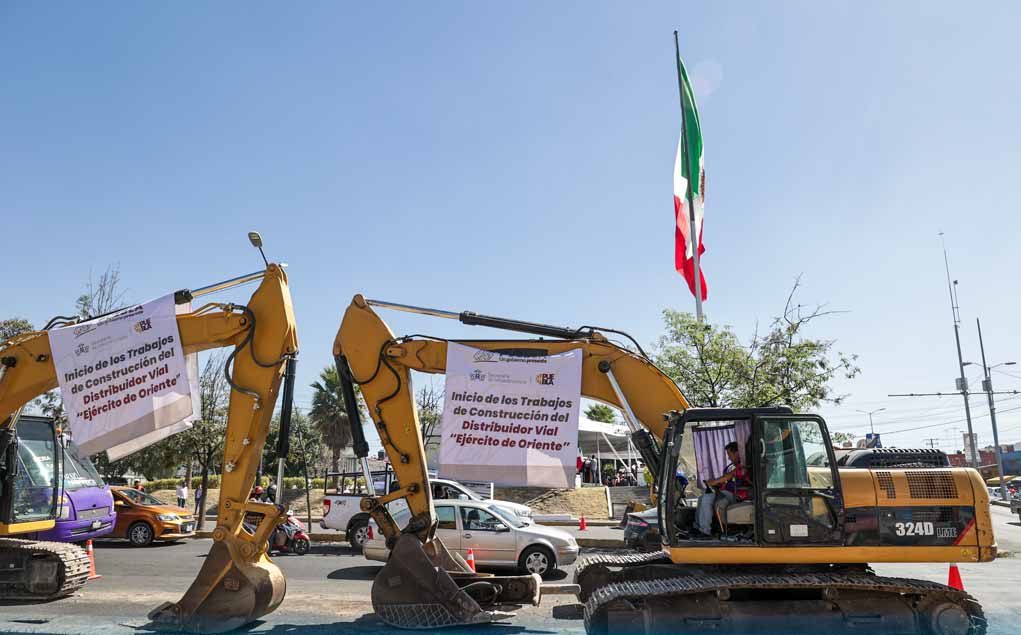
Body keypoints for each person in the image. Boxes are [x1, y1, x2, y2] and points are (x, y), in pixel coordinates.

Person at [694, 441, 751, 537]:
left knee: (707, 499)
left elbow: (727, 477)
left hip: (737, 495)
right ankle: (697, 527)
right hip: (728, 493)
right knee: (701, 498)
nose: (728, 458)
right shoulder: (736, 467)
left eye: (729, 454)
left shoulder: (743, 466)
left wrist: (713, 482)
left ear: (737, 453)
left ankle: (705, 531)